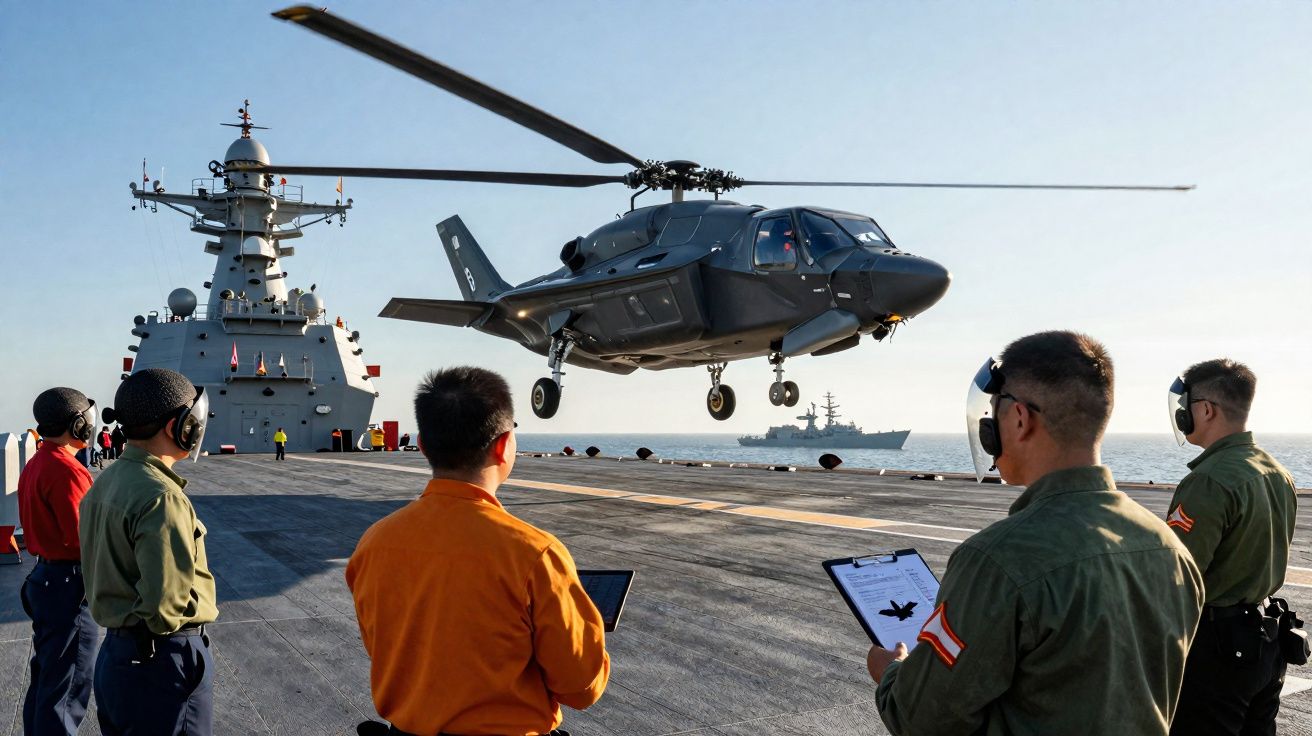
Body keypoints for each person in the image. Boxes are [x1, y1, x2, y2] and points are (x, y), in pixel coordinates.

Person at [867, 331, 1204, 735]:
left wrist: (891, 673)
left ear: (1020, 419)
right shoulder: (1170, 548)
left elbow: (921, 716)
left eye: (995, 414)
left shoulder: (996, 560)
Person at [347, 367, 609, 736]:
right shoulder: (536, 555)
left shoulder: (374, 543)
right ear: (503, 446)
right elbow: (580, 688)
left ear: (423, 445)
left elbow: (389, 651)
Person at [79, 368, 218, 736]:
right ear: (179, 426)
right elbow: (164, 607)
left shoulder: (105, 482)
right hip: (162, 659)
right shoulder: (162, 496)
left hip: (118, 657)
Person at [1166, 359, 1299, 736]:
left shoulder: (1208, 481)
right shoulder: (1277, 471)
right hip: (1267, 645)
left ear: (1206, 410)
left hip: (1218, 652)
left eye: (1185, 406)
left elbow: (1178, 577)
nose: (1181, 415)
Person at [17, 387, 100, 735]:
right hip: (70, 587)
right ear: (77, 424)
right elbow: (83, 538)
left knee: (48, 682)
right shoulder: (68, 470)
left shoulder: (37, 462)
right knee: (67, 690)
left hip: (46, 578)